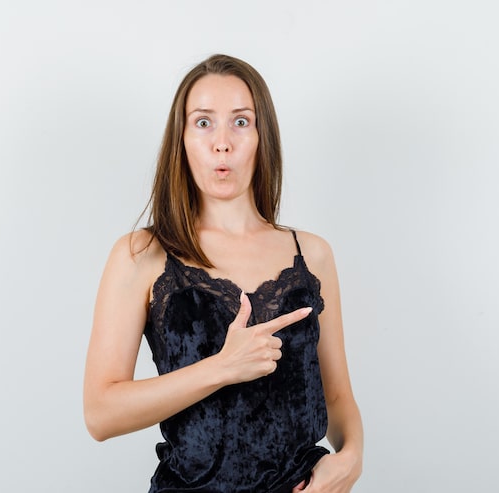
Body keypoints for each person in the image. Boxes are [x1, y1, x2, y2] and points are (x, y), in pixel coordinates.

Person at [83, 54, 363, 493]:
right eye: (203, 122)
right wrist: (223, 367)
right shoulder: (141, 255)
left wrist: (351, 459)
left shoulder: (312, 254)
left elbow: (337, 396)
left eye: (240, 122)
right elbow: (100, 414)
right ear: (181, 139)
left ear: (262, 136)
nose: (222, 143)